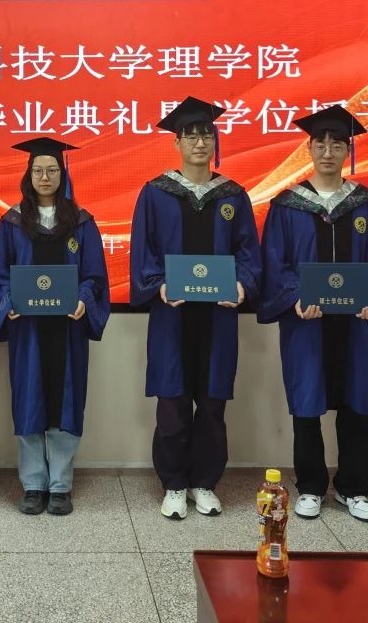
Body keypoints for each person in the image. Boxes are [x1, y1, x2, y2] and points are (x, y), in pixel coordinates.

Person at [258, 105, 368, 523]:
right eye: (320, 144)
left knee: (358, 404)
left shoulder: (366, 204)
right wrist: (295, 297)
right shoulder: (288, 205)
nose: (328, 152)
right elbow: (275, 262)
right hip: (306, 322)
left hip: (357, 324)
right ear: (309, 148)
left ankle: (354, 488)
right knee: (307, 405)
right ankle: (311, 487)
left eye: (337, 144)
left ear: (347, 151)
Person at [130, 97, 262, 520]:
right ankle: (173, 484)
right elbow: (144, 253)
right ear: (177, 142)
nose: (200, 142)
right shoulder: (155, 194)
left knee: (212, 403)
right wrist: (159, 285)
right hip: (172, 316)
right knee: (171, 403)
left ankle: (204, 483)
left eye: (207, 134)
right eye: (191, 135)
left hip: (218, 317)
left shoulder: (233, 196)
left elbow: (248, 252)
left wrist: (242, 285)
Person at [0, 138, 111, 517]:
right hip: (28, 331)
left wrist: (84, 299)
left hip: (68, 330)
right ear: (28, 175)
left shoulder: (81, 222)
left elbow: (94, 276)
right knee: (29, 401)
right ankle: (32, 483)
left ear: (63, 174)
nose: (45, 176)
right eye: (38, 170)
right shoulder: (12, 223)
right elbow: (0, 277)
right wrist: (7, 303)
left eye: (52, 170)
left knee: (65, 402)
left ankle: (60, 484)